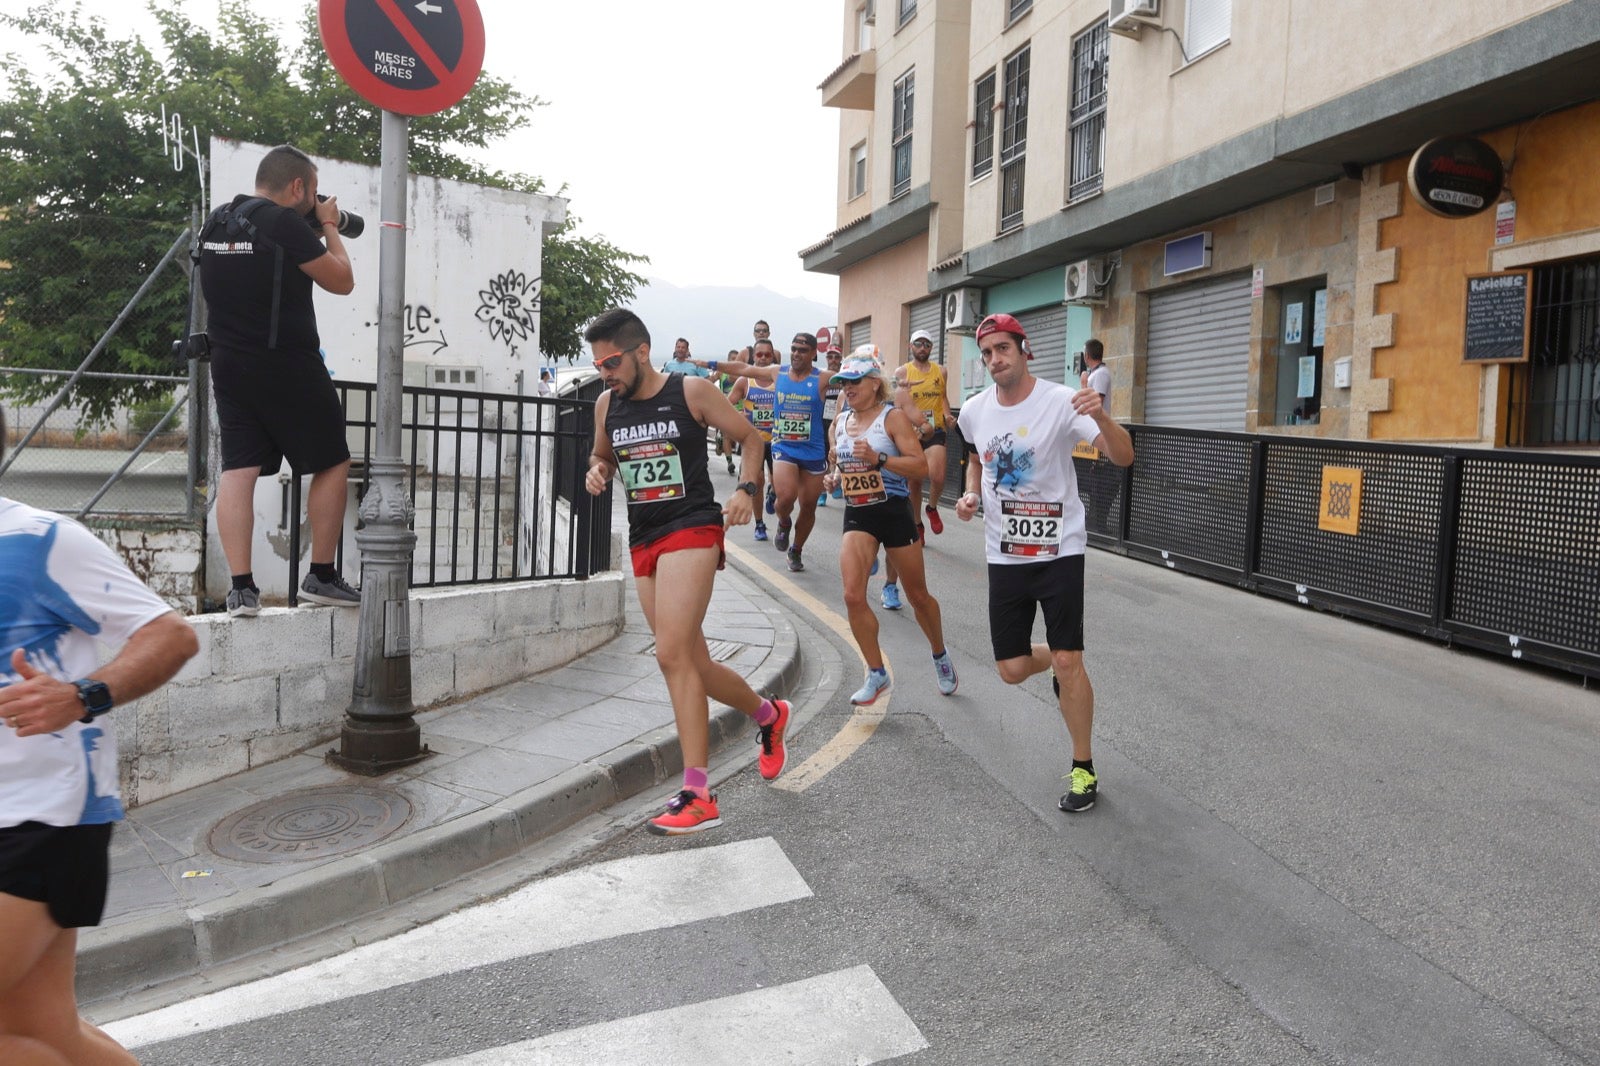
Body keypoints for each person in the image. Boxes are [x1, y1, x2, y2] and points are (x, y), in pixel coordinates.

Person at [0, 408, 201, 1066]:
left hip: (43, 819)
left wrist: (79, 697)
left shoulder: (39, 542)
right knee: (38, 1032)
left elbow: (172, 635)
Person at [583, 309, 792, 836]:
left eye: (611, 361)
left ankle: (698, 793)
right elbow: (603, 455)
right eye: (597, 363)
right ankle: (768, 716)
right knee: (692, 660)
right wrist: (598, 470)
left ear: (641, 352)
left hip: (693, 527)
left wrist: (748, 490)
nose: (604, 371)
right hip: (644, 538)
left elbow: (751, 439)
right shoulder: (608, 404)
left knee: (670, 653)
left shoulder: (691, 391)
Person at [954, 313, 1134, 813]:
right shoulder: (973, 410)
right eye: (987, 353)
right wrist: (970, 494)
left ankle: (1083, 768)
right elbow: (975, 457)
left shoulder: (1060, 402)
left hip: (1060, 548)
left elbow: (1123, 457)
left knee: (1068, 659)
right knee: (1011, 669)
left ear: (1024, 349)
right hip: (1004, 552)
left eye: (1003, 350)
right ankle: (1058, 658)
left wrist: (1100, 416)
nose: (995, 360)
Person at [199, 143, 359, 617]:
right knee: (333, 460)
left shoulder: (217, 222)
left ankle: (242, 590)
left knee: (238, 471)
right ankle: (322, 576)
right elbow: (342, 280)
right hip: (287, 363)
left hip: (228, 364)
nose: (314, 198)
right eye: (313, 191)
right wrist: (328, 223)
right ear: (298, 187)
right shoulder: (284, 223)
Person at [823, 349, 958, 705]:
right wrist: (834, 478)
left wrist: (880, 459)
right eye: (843, 383)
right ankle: (876, 672)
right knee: (852, 595)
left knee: (917, 596)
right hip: (858, 513)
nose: (847, 389)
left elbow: (921, 468)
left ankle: (940, 653)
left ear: (874, 384)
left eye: (853, 382)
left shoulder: (892, 418)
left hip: (894, 510)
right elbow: (842, 467)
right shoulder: (840, 422)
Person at [699, 333, 827, 573]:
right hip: (782, 446)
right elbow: (742, 368)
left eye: (803, 349)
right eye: (794, 349)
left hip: (813, 450)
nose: (797, 353)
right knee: (785, 497)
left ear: (813, 354)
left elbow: (853, 380)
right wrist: (713, 365)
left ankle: (796, 550)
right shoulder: (777, 373)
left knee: (809, 506)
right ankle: (783, 521)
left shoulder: (822, 379)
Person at [897, 328, 956, 539]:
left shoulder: (941, 371)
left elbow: (943, 398)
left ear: (931, 348)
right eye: (919, 344)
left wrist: (948, 415)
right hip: (912, 432)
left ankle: (931, 507)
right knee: (915, 482)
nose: (923, 348)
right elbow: (898, 401)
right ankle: (917, 523)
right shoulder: (902, 372)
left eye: (927, 344)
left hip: (936, 429)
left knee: (938, 476)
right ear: (910, 346)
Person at [726, 339, 779, 541]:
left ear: (772, 356)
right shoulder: (744, 381)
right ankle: (759, 524)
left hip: (777, 441)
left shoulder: (780, 379)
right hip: (753, 443)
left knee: (780, 485)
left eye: (767, 354)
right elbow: (726, 405)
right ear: (753, 357)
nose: (764, 358)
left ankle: (773, 493)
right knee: (756, 481)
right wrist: (738, 418)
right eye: (759, 354)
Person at [1080, 338, 1117, 535]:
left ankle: (1098, 521)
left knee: (1099, 478)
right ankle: (1092, 518)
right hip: (1090, 431)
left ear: (1087, 355)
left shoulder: (1101, 374)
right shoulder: (1095, 374)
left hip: (1098, 433)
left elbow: (1097, 402)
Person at [817, 345, 845, 508]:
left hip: (842, 422)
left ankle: (836, 481)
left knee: (838, 453)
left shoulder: (845, 376)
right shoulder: (822, 377)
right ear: (826, 359)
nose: (833, 360)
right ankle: (822, 492)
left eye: (836, 357)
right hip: (824, 422)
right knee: (824, 457)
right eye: (830, 357)